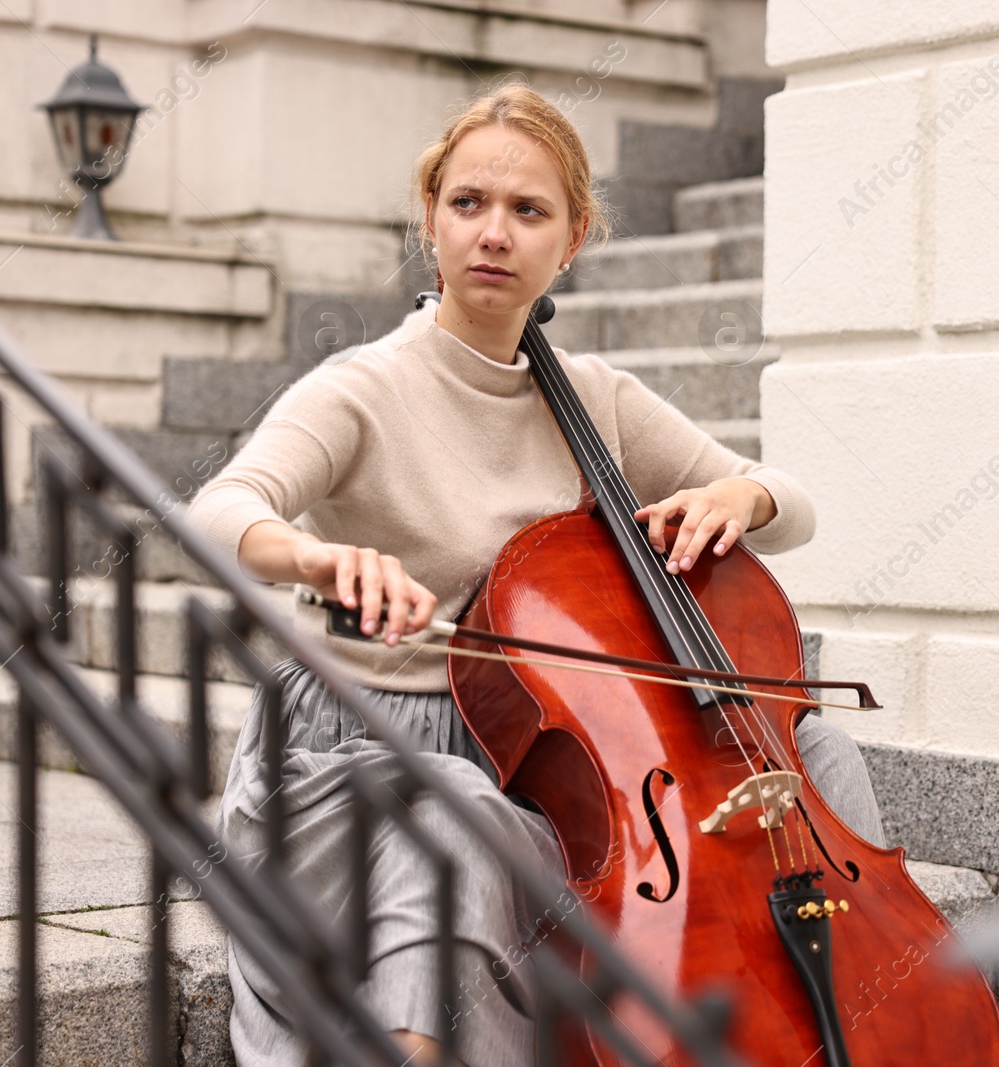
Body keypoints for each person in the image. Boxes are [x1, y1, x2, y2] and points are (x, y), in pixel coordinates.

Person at [187, 80, 886, 1067]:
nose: (494, 232)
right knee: (453, 811)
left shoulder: (595, 395)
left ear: (574, 238)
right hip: (360, 747)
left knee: (821, 757)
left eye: (528, 210)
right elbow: (221, 510)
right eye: (468, 203)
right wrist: (311, 553)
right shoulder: (361, 388)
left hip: (543, 755)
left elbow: (789, 504)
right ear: (429, 218)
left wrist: (746, 499)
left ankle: (854, 1014)